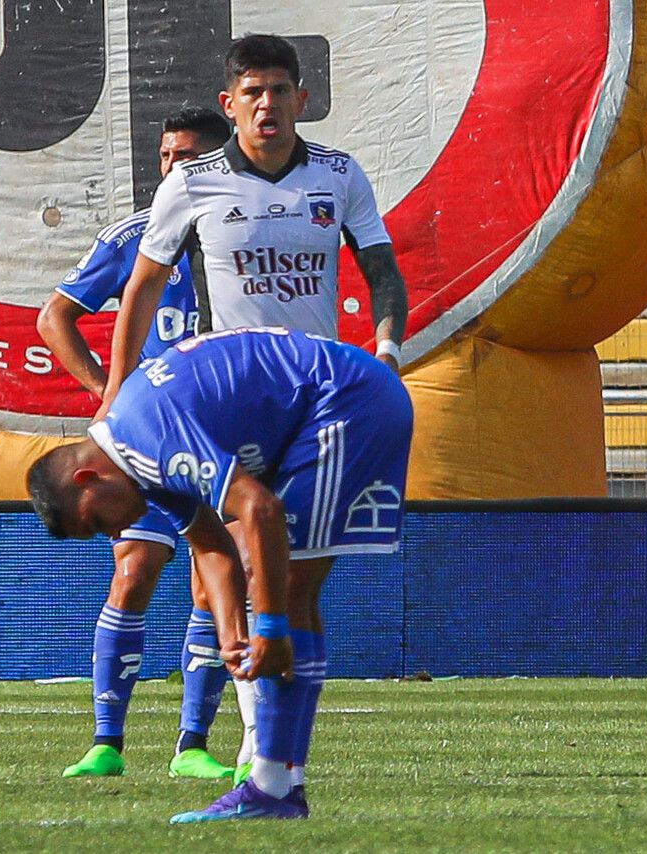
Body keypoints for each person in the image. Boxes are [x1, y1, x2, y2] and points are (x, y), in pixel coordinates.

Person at [96, 34, 409, 778]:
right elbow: (140, 289)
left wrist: (388, 350)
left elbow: (382, 270)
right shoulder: (192, 184)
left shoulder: (339, 176)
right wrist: (117, 392)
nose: (267, 104)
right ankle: (253, 751)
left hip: (320, 399)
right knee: (241, 561)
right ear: (228, 103)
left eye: (280, 89)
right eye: (253, 92)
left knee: (298, 578)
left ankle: (256, 750)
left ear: (303, 98)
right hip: (228, 398)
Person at [27, 326, 414, 822]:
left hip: (347, 403)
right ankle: (283, 782)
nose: (116, 531)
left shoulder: (149, 438)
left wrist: (268, 627)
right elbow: (212, 548)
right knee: (294, 590)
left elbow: (260, 509)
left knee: (288, 593)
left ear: (88, 479)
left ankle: (272, 788)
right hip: (353, 398)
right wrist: (234, 637)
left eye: (98, 522)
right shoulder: (135, 453)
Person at [36, 107, 238, 780]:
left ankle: (193, 745)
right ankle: (106, 742)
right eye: (164, 157)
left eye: (187, 158)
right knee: (133, 573)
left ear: (220, 161)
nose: (172, 170)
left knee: (212, 587)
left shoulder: (245, 234)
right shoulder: (135, 239)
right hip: (148, 444)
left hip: (226, 439)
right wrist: (105, 389)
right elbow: (54, 317)